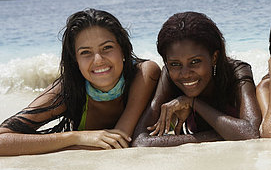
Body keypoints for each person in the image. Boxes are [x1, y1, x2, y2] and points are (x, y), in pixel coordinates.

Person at [0, 8, 160, 156]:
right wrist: (74, 137)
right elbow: (3, 139)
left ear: (123, 50)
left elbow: (118, 141)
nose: (98, 60)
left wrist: (66, 147)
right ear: (75, 60)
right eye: (85, 52)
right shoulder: (69, 89)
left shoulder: (143, 73)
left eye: (107, 48)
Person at [131, 12, 260, 146]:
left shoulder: (237, 71)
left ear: (214, 57)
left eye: (195, 61)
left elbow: (250, 133)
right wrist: (223, 134)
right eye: (175, 64)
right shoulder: (169, 76)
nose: (185, 74)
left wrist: (193, 103)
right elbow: (140, 141)